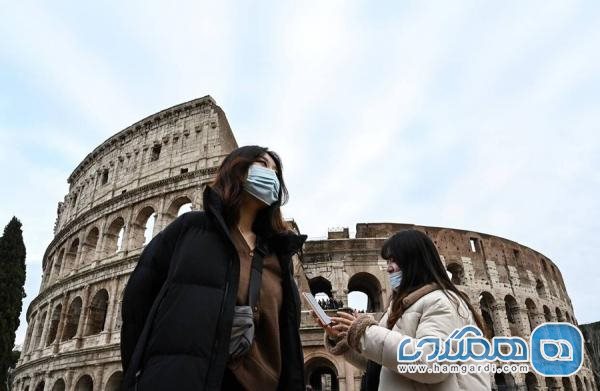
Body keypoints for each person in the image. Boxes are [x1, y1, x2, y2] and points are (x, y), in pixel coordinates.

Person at [121, 145, 308, 391]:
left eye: (276, 172)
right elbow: (137, 303)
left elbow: (287, 338)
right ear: (237, 168)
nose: (271, 175)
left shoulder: (278, 256)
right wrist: (147, 374)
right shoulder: (189, 229)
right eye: (263, 165)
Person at [311, 229, 491, 390]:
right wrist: (345, 337)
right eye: (388, 260)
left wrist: (365, 333)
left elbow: (433, 364)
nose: (388, 268)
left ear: (414, 262)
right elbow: (380, 363)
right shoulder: (398, 308)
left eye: (394, 260)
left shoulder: (442, 302)